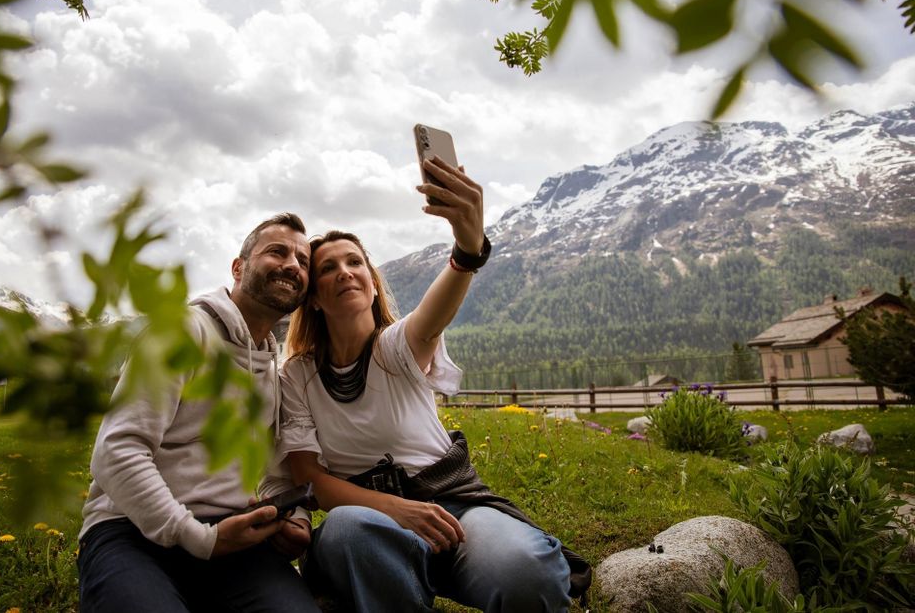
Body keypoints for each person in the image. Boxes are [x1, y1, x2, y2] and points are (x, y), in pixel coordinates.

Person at [279, 158, 591, 612]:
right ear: (315, 299)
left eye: (355, 262)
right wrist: (395, 509)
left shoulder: (396, 347)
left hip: (454, 506)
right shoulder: (298, 375)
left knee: (526, 570)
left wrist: (467, 249)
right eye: (328, 268)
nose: (345, 271)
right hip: (373, 527)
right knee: (346, 530)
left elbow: (431, 318)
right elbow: (308, 477)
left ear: (371, 282)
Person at [78, 213, 321, 613]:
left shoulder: (273, 367)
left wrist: (294, 519)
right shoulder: (180, 332)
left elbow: (275, 473)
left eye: (302, 260)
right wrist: (199, 538)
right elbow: (117, 450)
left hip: (232, 537)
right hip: (130, 531)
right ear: (238, 268)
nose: (292, 264)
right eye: (277, 251)